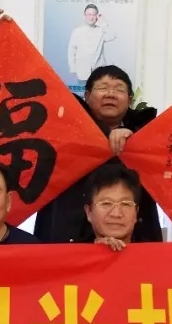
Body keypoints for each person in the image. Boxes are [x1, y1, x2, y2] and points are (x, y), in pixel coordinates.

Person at [32, 64, 163, 243]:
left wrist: (132, 140)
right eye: (102, 87)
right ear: (87, 96)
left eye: (119, 89)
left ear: (129, 100)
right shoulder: (62, 132)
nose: (110, 94)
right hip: (67, 233)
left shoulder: (148, 135)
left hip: (132, 239)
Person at [83, 165, 145, 252]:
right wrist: (98, 252)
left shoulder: (154, 257)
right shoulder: (72, 258)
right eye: (106, 203)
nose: (116, 214)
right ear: (88, 212)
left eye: (125, 204)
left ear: (136, 213)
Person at [67, 3, 117, 82]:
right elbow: (72, 51)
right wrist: (73, 68)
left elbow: (113, 35)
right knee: (83, 88)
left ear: (97, 16)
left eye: (94, 15)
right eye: (89, 14)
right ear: (84, 15)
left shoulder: (101, 30)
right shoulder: (77, 31)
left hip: (99, 71)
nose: (91, 17)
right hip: (82, 70)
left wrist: (103, 22)